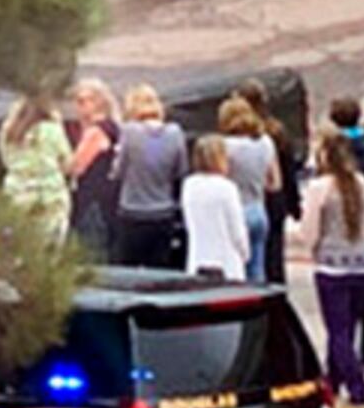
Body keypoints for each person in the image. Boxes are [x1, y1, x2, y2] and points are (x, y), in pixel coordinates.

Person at [309, 102, 364, 408]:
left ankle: (356, 383)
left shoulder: (320, 187)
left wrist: (311, 246)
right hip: (363, 262)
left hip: (332, 265)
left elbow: (309, 230)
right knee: (350, 326)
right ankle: (333, 379)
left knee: (337, 330)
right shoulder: (361, 183)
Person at [111, 87, 188, 271]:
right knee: (160, 269)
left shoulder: (129, 132)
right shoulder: (175, 133)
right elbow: (181, 171)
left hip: (132, 212)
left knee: (128, 270)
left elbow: (118, 172)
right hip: (163, 212)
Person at [216, 96, 283, 286]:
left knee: (235, 270)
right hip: (258, 210)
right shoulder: (266, 143)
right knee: (257, 269)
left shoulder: (224, 146)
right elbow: (275, 183)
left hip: (234, 211)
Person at [0, 90, 73, 237]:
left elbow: (5, 159)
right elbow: (67, 161)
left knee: (19, 240)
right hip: (50, 192)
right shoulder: (53, 129)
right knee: (50, 241)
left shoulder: (9, 132)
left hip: (18, 189)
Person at [178, 133, 250, 282]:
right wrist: (245, 253)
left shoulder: (189, 185)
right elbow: (237, 230)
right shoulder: (227, 187)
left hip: (198, 259)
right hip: (227, 263)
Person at [62, 80, 122, 256]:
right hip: (108, 199)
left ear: (98, 102)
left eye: (82, 102)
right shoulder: (112, 127)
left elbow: (76, 166)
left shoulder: (97, 132)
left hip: (93, 201)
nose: (77, 108)